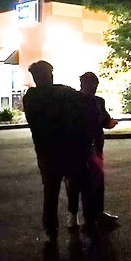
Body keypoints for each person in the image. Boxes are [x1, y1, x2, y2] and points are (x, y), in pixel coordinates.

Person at [22, 60, 89, 243]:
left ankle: (52, 230)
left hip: (46, 151)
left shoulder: (31, 98)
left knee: (51, 191)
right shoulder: (62, 93)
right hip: (65, 149)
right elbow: (83, 102)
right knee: (70, 184)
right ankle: (71, 217)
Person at [64, 72, 119, 236]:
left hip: (95, 148)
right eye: (90, 85)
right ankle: (74, 215)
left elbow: (104, 120)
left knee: (97, 180)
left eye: (95, 85)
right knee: (76, 182)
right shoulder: (74, 101)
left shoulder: (98, 101)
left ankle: (97, 213)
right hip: (78, 148)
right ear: (83, 84)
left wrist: (109, 123)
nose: (93, 88)